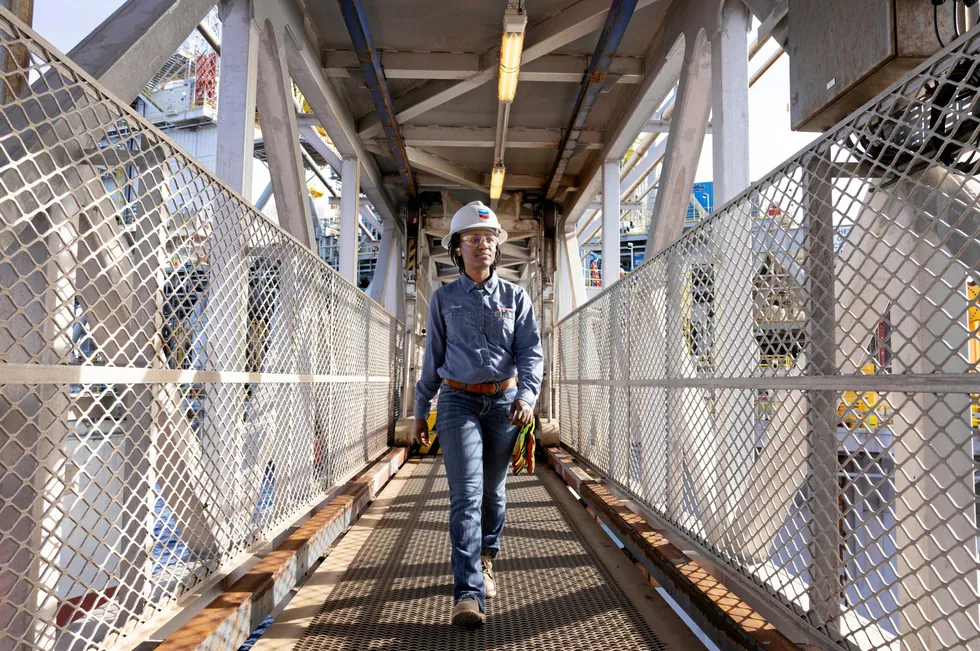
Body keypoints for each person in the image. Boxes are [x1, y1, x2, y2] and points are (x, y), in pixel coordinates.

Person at [413, 200, 543, 628]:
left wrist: (528, 396)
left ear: (496, 247)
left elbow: (530, 353)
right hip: (457, 402)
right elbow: (432, 358)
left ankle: (487, 555)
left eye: (488, 238)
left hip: (505, 405)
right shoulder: (443, 298)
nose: (481, 245)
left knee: (493, 492)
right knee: (466, 494)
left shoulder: (515, 297)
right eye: (472, 239)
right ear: (456, 248)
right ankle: (467, 595)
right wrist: (419, 410)